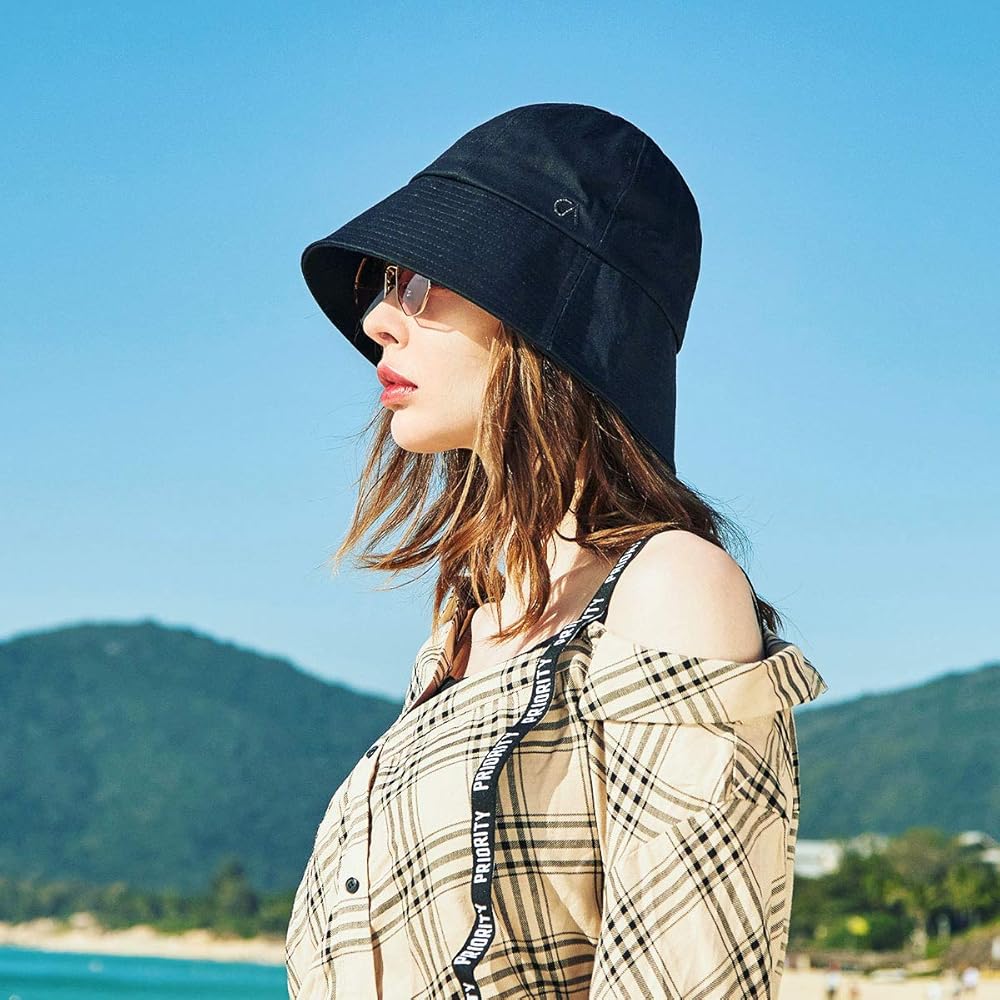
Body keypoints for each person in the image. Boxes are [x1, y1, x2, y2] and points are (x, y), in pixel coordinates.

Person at [284, 102, 829, 1000]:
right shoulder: (465, 622)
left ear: (546, 309)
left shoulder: (668, 591)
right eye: (385, 281)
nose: (380, 317)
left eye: (422, 281)